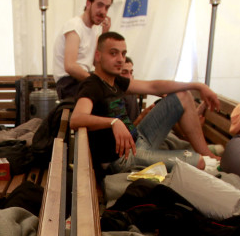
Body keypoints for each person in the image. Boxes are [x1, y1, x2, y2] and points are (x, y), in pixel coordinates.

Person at [70, 31, 220, 176]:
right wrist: (113, 122)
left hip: (138, 140)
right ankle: (204, 158)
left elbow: (153, 86)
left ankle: (207, 153)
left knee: (183, 95)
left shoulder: (115, 81)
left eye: (123, 53)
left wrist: (197, 86)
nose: (120, 59)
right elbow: (76, 119)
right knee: (199, 162)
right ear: (98, 56)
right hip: (122, 159)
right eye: (113, 53)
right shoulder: (92, 85)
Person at [53, 0, 113, 99]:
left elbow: (97, 62)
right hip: (68, 82)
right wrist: (95, 81)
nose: (103, 11)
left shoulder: (95, 29)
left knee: (121, 95)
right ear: (88, 4)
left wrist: (104, 34)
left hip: (83, 79)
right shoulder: (74, 26)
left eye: (107, 7)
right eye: (99, 5)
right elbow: (70, 66)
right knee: (107, 99)